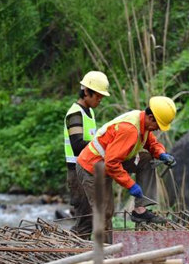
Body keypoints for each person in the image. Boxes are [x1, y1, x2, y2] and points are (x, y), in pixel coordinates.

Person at [76, 96, 178, 239]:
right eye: (158, 126)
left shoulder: (142, 122)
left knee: (146, 160)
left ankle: (140, 209)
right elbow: (111, 164)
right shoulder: (129, 130)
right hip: (92, 167)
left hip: (107, 161)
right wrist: (131, 185)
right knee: (105, 213)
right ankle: (106, 253)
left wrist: (161, 154)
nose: (157, 130)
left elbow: (151, 142)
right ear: (150, 117)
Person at [63, 71, 111, 238]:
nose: (99, 100)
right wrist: (103, 146)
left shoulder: (88, 112)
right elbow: (77, 145)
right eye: (97, 96)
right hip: (77, 172)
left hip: (89, 169)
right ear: (86, 92)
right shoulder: (75, 114)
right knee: (84, 221)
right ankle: (72, 257)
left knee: (95, 217)